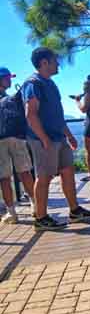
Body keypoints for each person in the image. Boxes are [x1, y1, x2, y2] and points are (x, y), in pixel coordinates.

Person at [23, 47, 90, 230]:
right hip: (44, 139)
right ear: (44, 63)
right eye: (55, 61)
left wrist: (69, 136)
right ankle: (41, 218)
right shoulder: (33, 83)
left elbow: (57, 114)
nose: (58, 64)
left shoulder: (50, 84)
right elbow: (30, 114)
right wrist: (44, 138)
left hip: (58, 137)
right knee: (44, 176)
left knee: (67, 171)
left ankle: (74, 210)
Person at [0, 67, 35, 224]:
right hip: (17, 137)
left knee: (4, 178)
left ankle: (11, 213)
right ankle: (36, 206)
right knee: (25, 172)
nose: (10, 80)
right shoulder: (10, 98)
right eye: (7, 77)